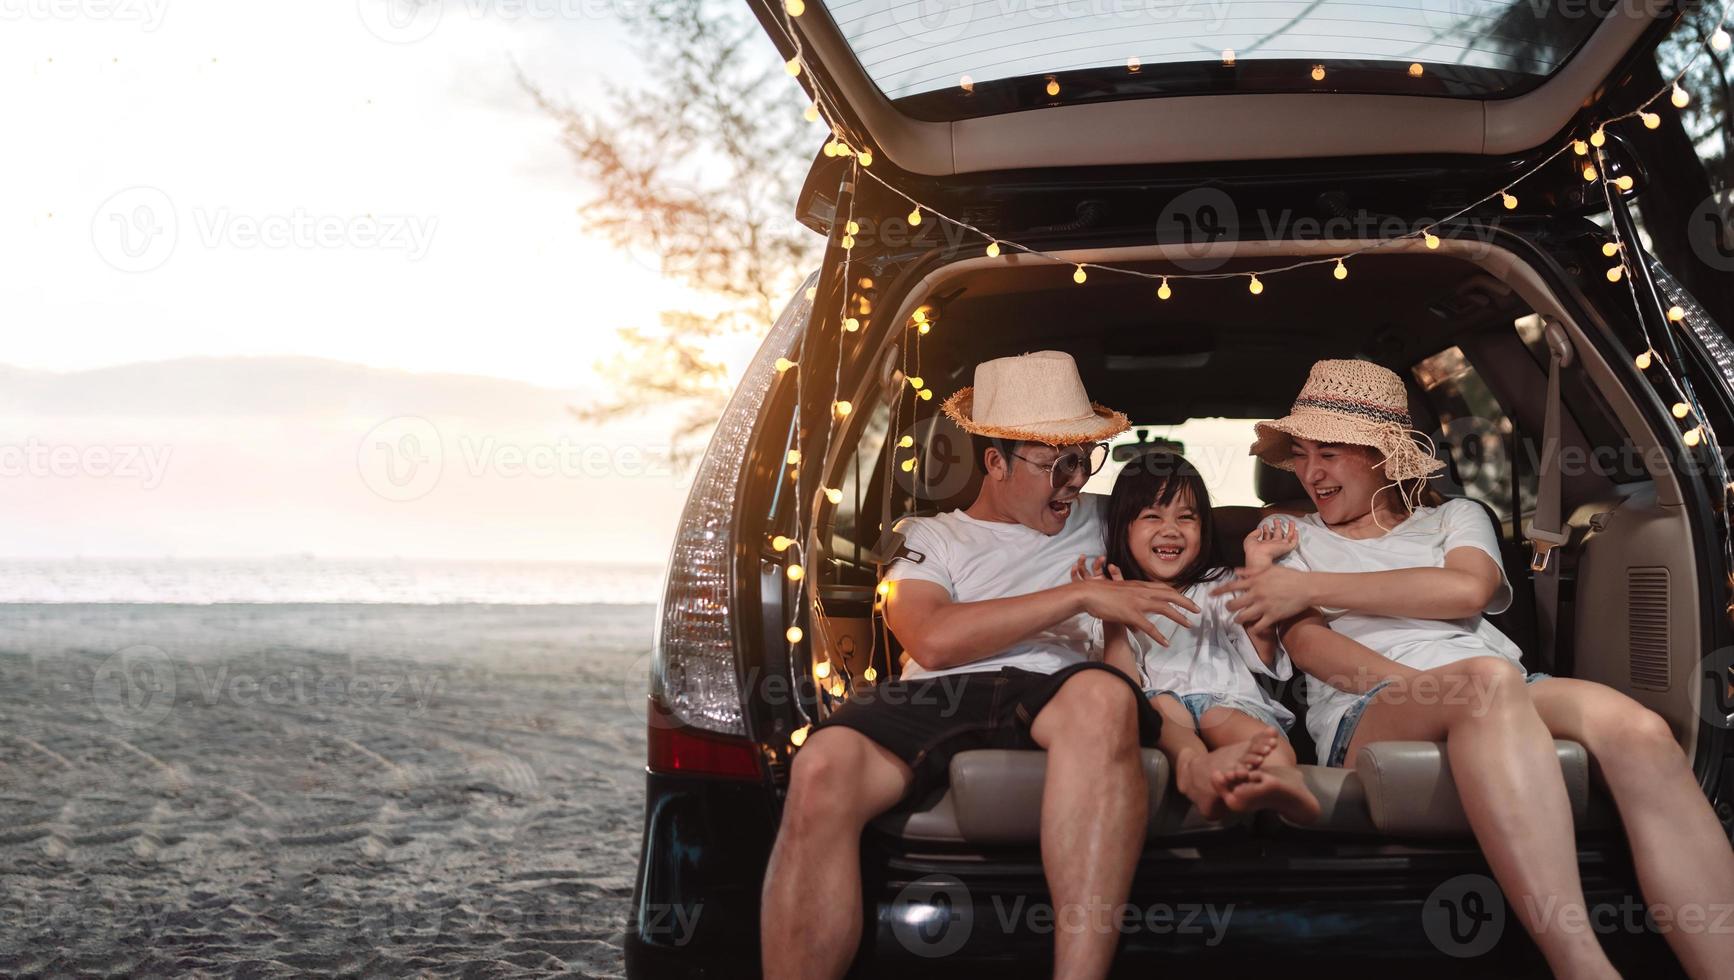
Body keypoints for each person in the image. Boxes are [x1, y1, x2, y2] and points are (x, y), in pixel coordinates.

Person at [1216, 358, 1734, 979]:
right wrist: (1444, 696)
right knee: (1486, 688)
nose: (1310, 472)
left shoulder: (1455, 517)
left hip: (1501, 682)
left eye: (1330, 452)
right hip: (1376, 707)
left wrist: (1313, 587)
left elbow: (1467, 590)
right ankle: (1584, 968)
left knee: (1641, 732)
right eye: (1301, 454)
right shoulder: (1285, 535)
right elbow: (1311, 648)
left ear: (1385, 455)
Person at [760, 351, 1212, 980]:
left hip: (1056, 689)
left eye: (1084, 460)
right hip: (941, 694)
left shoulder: (1113, 521)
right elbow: (935, 639)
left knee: (1104, 698)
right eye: (1056, 464)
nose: (1076, 478)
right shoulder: (932, 537)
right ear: (995, 462)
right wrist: (1077, 595)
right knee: (820, 764)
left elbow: (1200, 533)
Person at [1074, 450, 1319, 824]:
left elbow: (1263, 652)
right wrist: (1113, 620)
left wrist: (1257, 567)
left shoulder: (1221, 582)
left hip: (1227, 697)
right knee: (1164, 713)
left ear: (1204, 528)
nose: (1171, 529)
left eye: (1186, 517)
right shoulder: (1111, 595)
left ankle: (1280, 781)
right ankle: (1198, 770)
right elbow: (1121, 683)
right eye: (1152, 516)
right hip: (1157, 701)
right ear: (1122, 527)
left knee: (1250, 731)